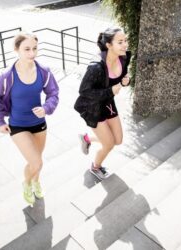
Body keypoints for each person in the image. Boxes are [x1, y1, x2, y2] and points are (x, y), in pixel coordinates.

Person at [0, 32, 59, 205]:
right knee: (36, 162)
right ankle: (27, 184)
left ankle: (36, 181)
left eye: (34, 48)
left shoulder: (44, 71)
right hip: (18, 125)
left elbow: (53, 93)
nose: (32, 53)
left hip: (39, 124)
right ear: (16, 50)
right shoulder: (6, 77)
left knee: (37, 162)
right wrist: (0, 122)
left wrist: (46, 108)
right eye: (26, 49)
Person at [74, 27, 131, 180]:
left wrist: (125, 82)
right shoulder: (96, 67)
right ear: (109, 45)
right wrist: (110, 91)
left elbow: (119, 79)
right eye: (120, 42)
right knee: (109, 144)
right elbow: (84, 92)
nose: (125, 45)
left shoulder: (123, 57)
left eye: (125, 40)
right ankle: (95, 167)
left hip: (108, 103)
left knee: (117, 140)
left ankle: (87, 139)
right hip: (92, 107)